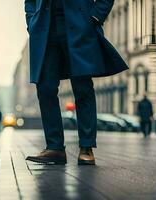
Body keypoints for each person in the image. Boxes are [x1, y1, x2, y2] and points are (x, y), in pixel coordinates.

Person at [24, 0, 128, 165]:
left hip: (79, 23)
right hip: (45, 25)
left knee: (82, 86)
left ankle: (86, 147)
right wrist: (31, 20)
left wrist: (95, 15)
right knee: (44, 87)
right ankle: (55, 147)